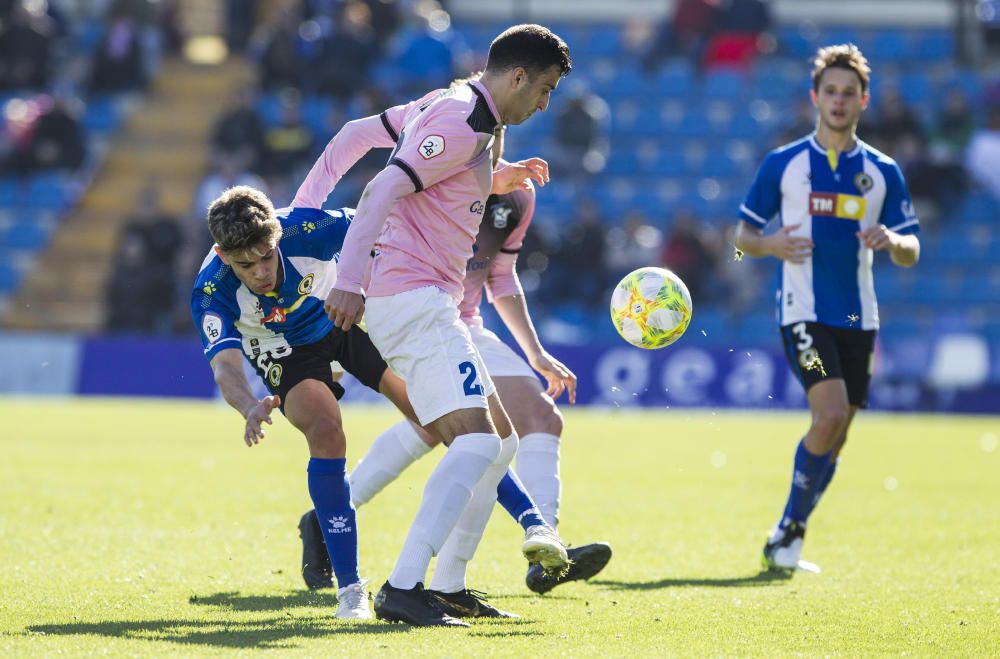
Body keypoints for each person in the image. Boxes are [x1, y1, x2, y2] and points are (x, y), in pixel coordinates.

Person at [314, 24, 572, 626]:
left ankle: (451, 585)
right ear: (516, 76)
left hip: (426, 297)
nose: (544, 103)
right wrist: (349, 281)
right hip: (412, 298)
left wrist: (497, 176)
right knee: (480, 441)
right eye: (545, 90)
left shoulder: (467, 114)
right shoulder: (462, 117)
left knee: (501, 443)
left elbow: (426, 170)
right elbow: (381, 187)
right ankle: (403, 587)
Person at [296, 131, 612, 602]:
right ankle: (531, 544)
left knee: (485, 427)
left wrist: (535, 352)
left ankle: (536, 548)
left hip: (461, 323)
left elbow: (500, 278)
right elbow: (366, 224)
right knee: (468, 434)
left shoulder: (518, 198)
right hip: (418, 314)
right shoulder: (432, 177)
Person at [190, 186, 426, 620]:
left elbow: (383, 223)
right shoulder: (210, 290)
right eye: (246, 264)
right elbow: (225, 366)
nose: (261, 271)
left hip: (341, 312)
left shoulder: (308, 227)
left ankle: (532, 526)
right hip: (282, 347)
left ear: (277, 236)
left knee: (435, 416)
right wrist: (248, 407)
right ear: (224, 257)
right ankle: (352, 589)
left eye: (266, 255)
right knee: (326, 428)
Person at [734, 44, 920, 573]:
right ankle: (788, 529)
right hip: (802, 316)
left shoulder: (883, 172)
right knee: (830, 413)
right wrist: (771, 245)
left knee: (838, 434)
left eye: (849, 93)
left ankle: (788, 535)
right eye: (830, 92)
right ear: (815, 97)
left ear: (864, 100)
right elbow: (739, 238)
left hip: (861, 319)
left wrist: (893, 242)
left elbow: (912, 251)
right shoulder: (784, 164)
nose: (839, 101)